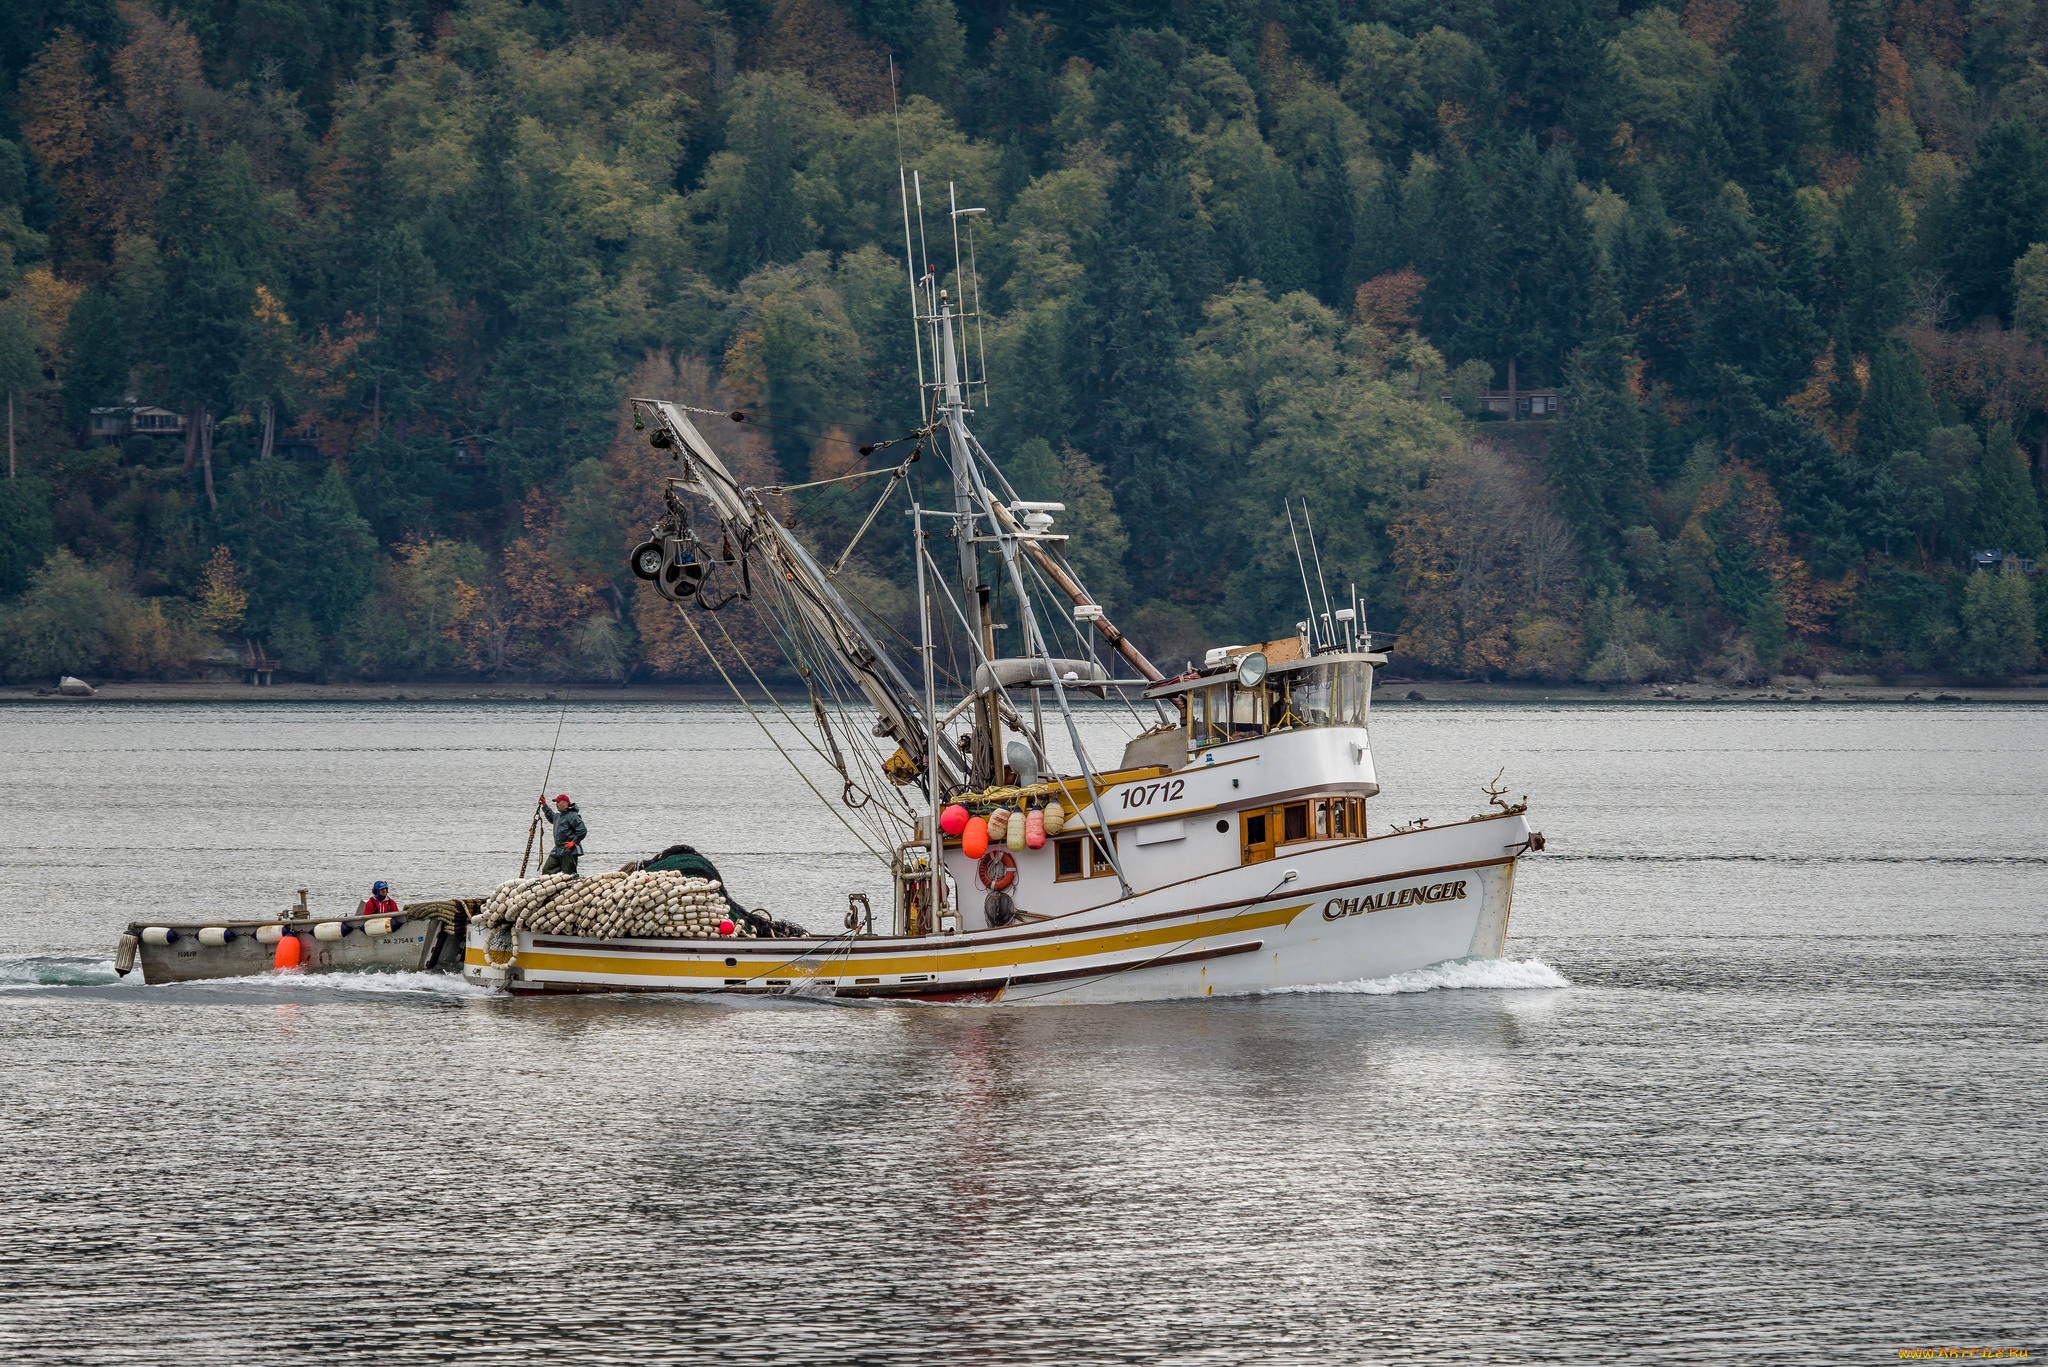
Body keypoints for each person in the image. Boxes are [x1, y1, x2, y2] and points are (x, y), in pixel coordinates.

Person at [540, 793, 587, 876]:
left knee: (569, 875)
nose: (556, 804)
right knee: (547, 871)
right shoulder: (558, 816)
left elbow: (582, 830)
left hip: (569, 851)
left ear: (565, 803)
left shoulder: (572, 815)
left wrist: (574, 842)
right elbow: (551, 816)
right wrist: (544, 805)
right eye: (556, 802)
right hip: (557, 850)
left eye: (558, 802)